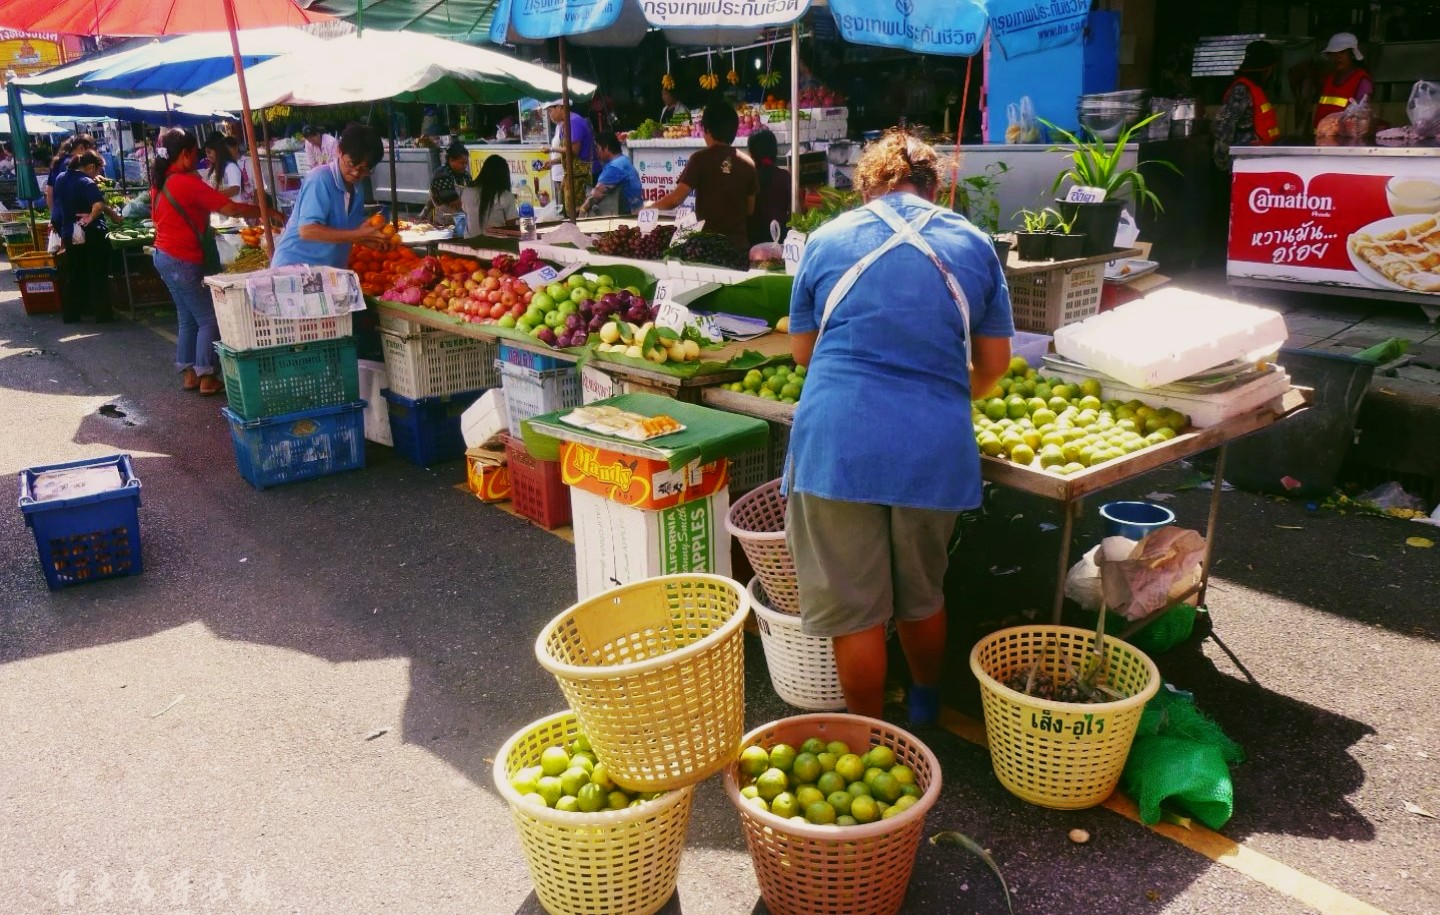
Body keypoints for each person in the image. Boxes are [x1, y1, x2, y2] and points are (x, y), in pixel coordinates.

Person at [783, 131, 1014, 724]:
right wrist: (941, 396)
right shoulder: (973, 241)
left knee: (855, 611)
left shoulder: (826, 239)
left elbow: (805, 354)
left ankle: (866, 735)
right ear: (935, 187)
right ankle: (925, 703)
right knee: (921, 591)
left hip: (836, 444)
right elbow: (992, 366)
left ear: (865, 187)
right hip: (933, 445)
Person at [151, 128, 284, 395]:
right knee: (208, 318)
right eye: (195, 154)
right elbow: (230, 208)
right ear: (186, 154)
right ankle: (207, 376)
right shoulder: (185, 182)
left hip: (163, 256)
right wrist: (268, 211)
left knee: (187, 317)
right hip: (182, 258)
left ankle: (190, 375)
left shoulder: (162, 181)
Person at [646, 103, 758, 254]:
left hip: (709, 247)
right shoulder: (748, 163)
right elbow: (750, 209)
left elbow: (675, 200)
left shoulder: (699, 159)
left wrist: (650, 207)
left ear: (706, 129)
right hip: (739, 246)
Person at [270, 124, 386, 270]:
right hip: (295, 269)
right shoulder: (319, 179)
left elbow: (350, 230)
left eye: (364, 169)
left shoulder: (357, 188)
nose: (356, 173)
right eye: (351, 164)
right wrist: (358, 235)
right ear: (339, 151)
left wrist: (372, 240)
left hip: (327, 272)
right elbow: (307, 230)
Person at [54, 151, 120, 324]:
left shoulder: (61, 178)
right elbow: (98, 204)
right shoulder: (87, 182)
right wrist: (90, 217)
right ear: (91, 167)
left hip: (69, 232)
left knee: (74, 273)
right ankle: (103, 315)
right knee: (97, 273)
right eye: (97, 171)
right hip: (91, 234)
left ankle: (71, 314)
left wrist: (112, 214)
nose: (97, 175)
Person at [1214, 40, 1283, 170]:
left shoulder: (1257, 89)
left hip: (1261, 157)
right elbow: (1225, 124)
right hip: (1244, 158)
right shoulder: (1242, 89)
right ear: (1267, 69)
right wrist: (1221, 158)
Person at [545, 101, 595, 216]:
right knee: (568, 212)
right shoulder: (564, 124)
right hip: (571, 176)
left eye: (550, 111)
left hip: (580, 178)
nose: (550, 116)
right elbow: (567, 154)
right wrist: (552, 162)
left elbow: (574, 150)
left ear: (559, 107)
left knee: (578, 214)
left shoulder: (574, 122)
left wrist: (551, 149)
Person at [1314, 32, 1373, 128]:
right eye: (1334, 53)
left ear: (1352, 54)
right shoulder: (1328, 79)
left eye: (1342, 52)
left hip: (1344, 140)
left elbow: (1362, 118)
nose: (1338, 57)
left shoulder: (1362, 81)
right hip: (1321, 138)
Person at [746, 128, 792, 245]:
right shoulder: (784, 176)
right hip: (780, 237)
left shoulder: (748, 177)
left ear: (751, 153)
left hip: (753, 239)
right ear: (774, 151)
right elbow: (794, 211)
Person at [579, 132, 641, 217]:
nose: (596, 152)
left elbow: (596, 195)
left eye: (598, 148)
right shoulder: (623, 160)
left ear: (606, 147)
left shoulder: (614, 168)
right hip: (634, 210)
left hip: (628, 216)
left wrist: (582, 210)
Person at [464, 154, 517, 233]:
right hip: (497, 242)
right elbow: (511, 227)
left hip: (470, 241)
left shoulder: (467, 191)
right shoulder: (506, 196)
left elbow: (467, 214)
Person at [427, 140, 471, 225]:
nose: (465, 166)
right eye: (461, 163)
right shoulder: (441, 174)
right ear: (451, 160)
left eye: (466, 163)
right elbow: (453, 201)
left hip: (463, 221)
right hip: (444, 222)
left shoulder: (465, 175)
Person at [204, 134, 244, 198]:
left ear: (217, 150)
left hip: (232, 207)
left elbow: (235, 189)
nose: (207, 156)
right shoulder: (213, 169)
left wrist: (211, 197)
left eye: (209, 152)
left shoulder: (231, 166)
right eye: (206, 153)